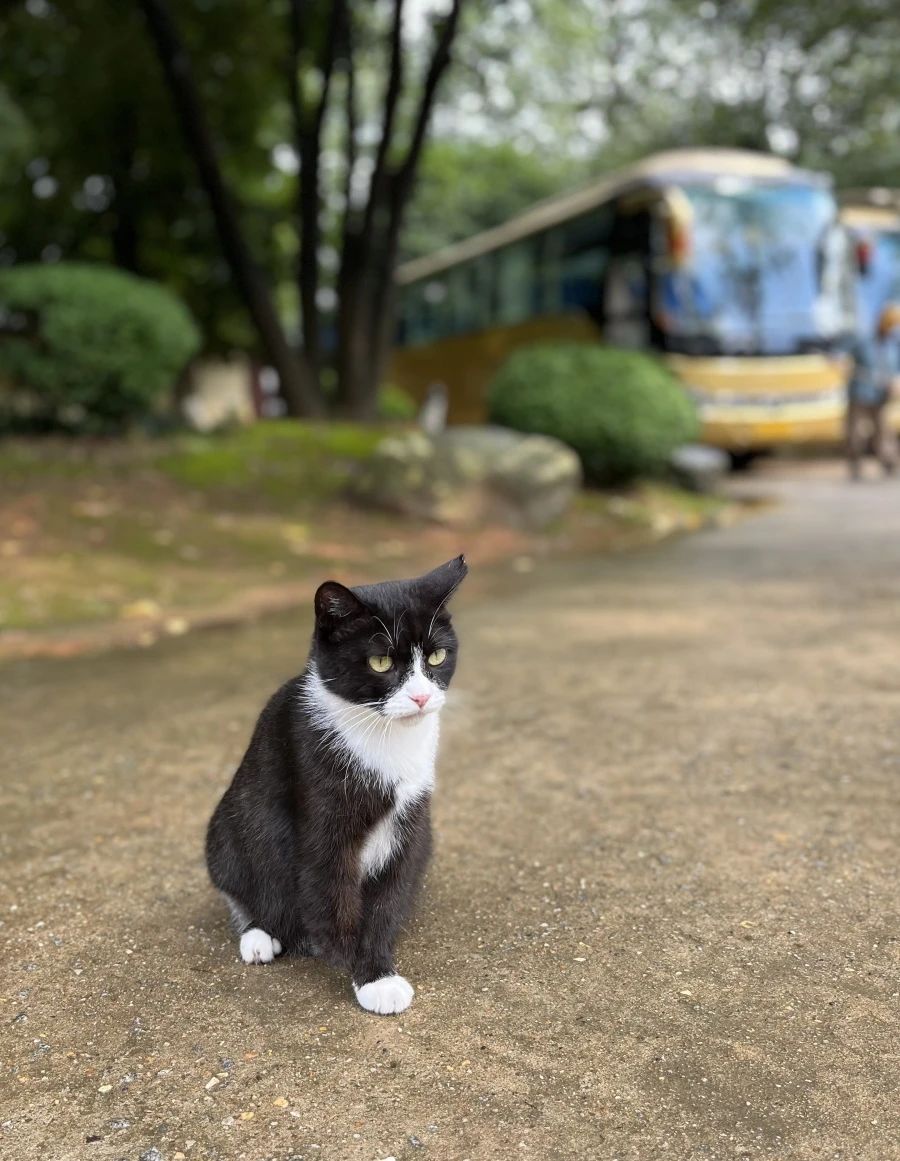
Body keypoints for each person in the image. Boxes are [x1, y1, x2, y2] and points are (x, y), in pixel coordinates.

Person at [845, 303, 900, 479]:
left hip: (881, 396)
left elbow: (895, 369)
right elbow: (844, 358)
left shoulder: (893, 344)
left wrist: (895, 381)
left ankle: (889, 463)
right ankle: (855, 465)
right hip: (860, 395)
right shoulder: (863, 341)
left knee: (884, 432)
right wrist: (841, 362)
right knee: (857, 433)